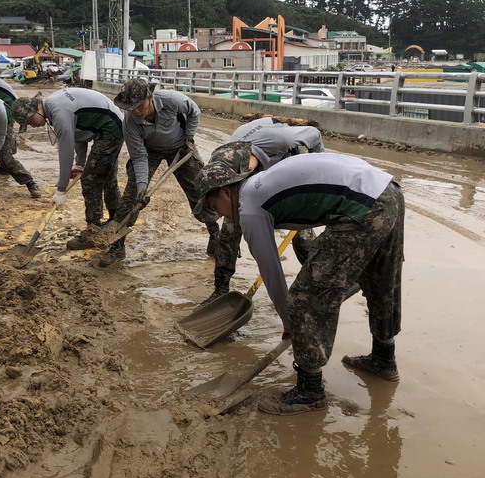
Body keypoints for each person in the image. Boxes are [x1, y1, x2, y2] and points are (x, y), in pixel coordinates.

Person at [194, 142, 404, 416]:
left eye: (215, 205)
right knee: (381, 280)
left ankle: (309, 392)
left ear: (225, 190)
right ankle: (384, 359)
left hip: (364, 207)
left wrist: (290, 321)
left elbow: (272, 273)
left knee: (304, 299)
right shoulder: (258, 185)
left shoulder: (250, 209)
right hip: (388, 191)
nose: (220, 214)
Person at [97, 78, 221, 268]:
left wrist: (189, 137)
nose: (136, 111)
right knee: (131, 198)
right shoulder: (129, 122)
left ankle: (215, 235)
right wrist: (142, 188)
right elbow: (139, 157)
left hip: (180, 147)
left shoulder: (171, 100)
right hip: (149, 151)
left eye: (140, 106)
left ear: (150, 98)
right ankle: (116, 246)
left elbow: (194, 111)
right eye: (131, 108)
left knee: (199, 190)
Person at [211, 118, 326, 301]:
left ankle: (322, 285)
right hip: (256, 177)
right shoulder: (229, 154)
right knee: (229, 231)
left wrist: (318, 170)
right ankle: (220, 290)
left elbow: (314, 135)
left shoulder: (281, 139)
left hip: (285, 174)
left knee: (302, 234)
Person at [11, 88, 124, 235]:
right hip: (106, 126)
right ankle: (117, 220)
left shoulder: (59, 113)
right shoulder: (52, 105)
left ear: (35, 109)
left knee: (90, 179)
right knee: (106, 176)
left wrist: (61, 189)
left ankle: (93, 231)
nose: (32, 126)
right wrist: (80, 163)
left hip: (110, 128)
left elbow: (66, 151)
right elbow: (79, 133)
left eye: (30, 121)